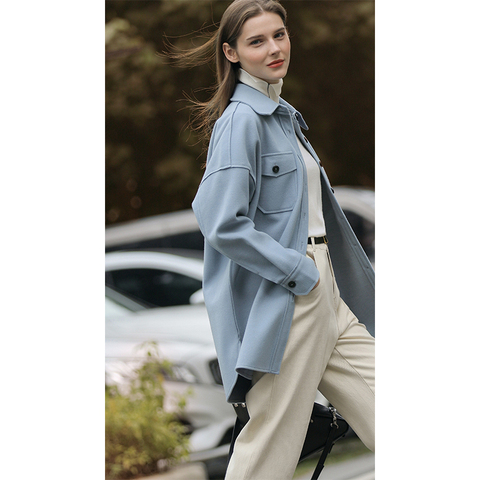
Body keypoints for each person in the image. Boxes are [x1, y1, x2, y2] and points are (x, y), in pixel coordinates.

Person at [170, 1, 375, 478]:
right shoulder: (241, 120)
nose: (274, 48)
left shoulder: (284, 116)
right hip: (291, 296)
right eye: (257, 41)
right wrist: (298, 272)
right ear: (232, 53)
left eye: (279, 35)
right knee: (268, 451)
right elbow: (220, 220)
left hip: (327, 293)